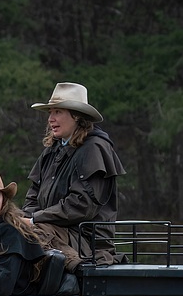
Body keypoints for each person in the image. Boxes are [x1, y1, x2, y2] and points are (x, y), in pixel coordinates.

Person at [23, 82, 126, 267]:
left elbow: (81, 205)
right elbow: (33, 195)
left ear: (77, 116)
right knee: (7, 228)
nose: (50, 119)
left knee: (31, 233)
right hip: (52, 231)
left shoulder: (94, 148)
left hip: (85, 241)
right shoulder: (53, 149)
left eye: (58, 112)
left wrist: (34, 220)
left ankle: (69, 267)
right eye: (50, 112)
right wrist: (24, 220)